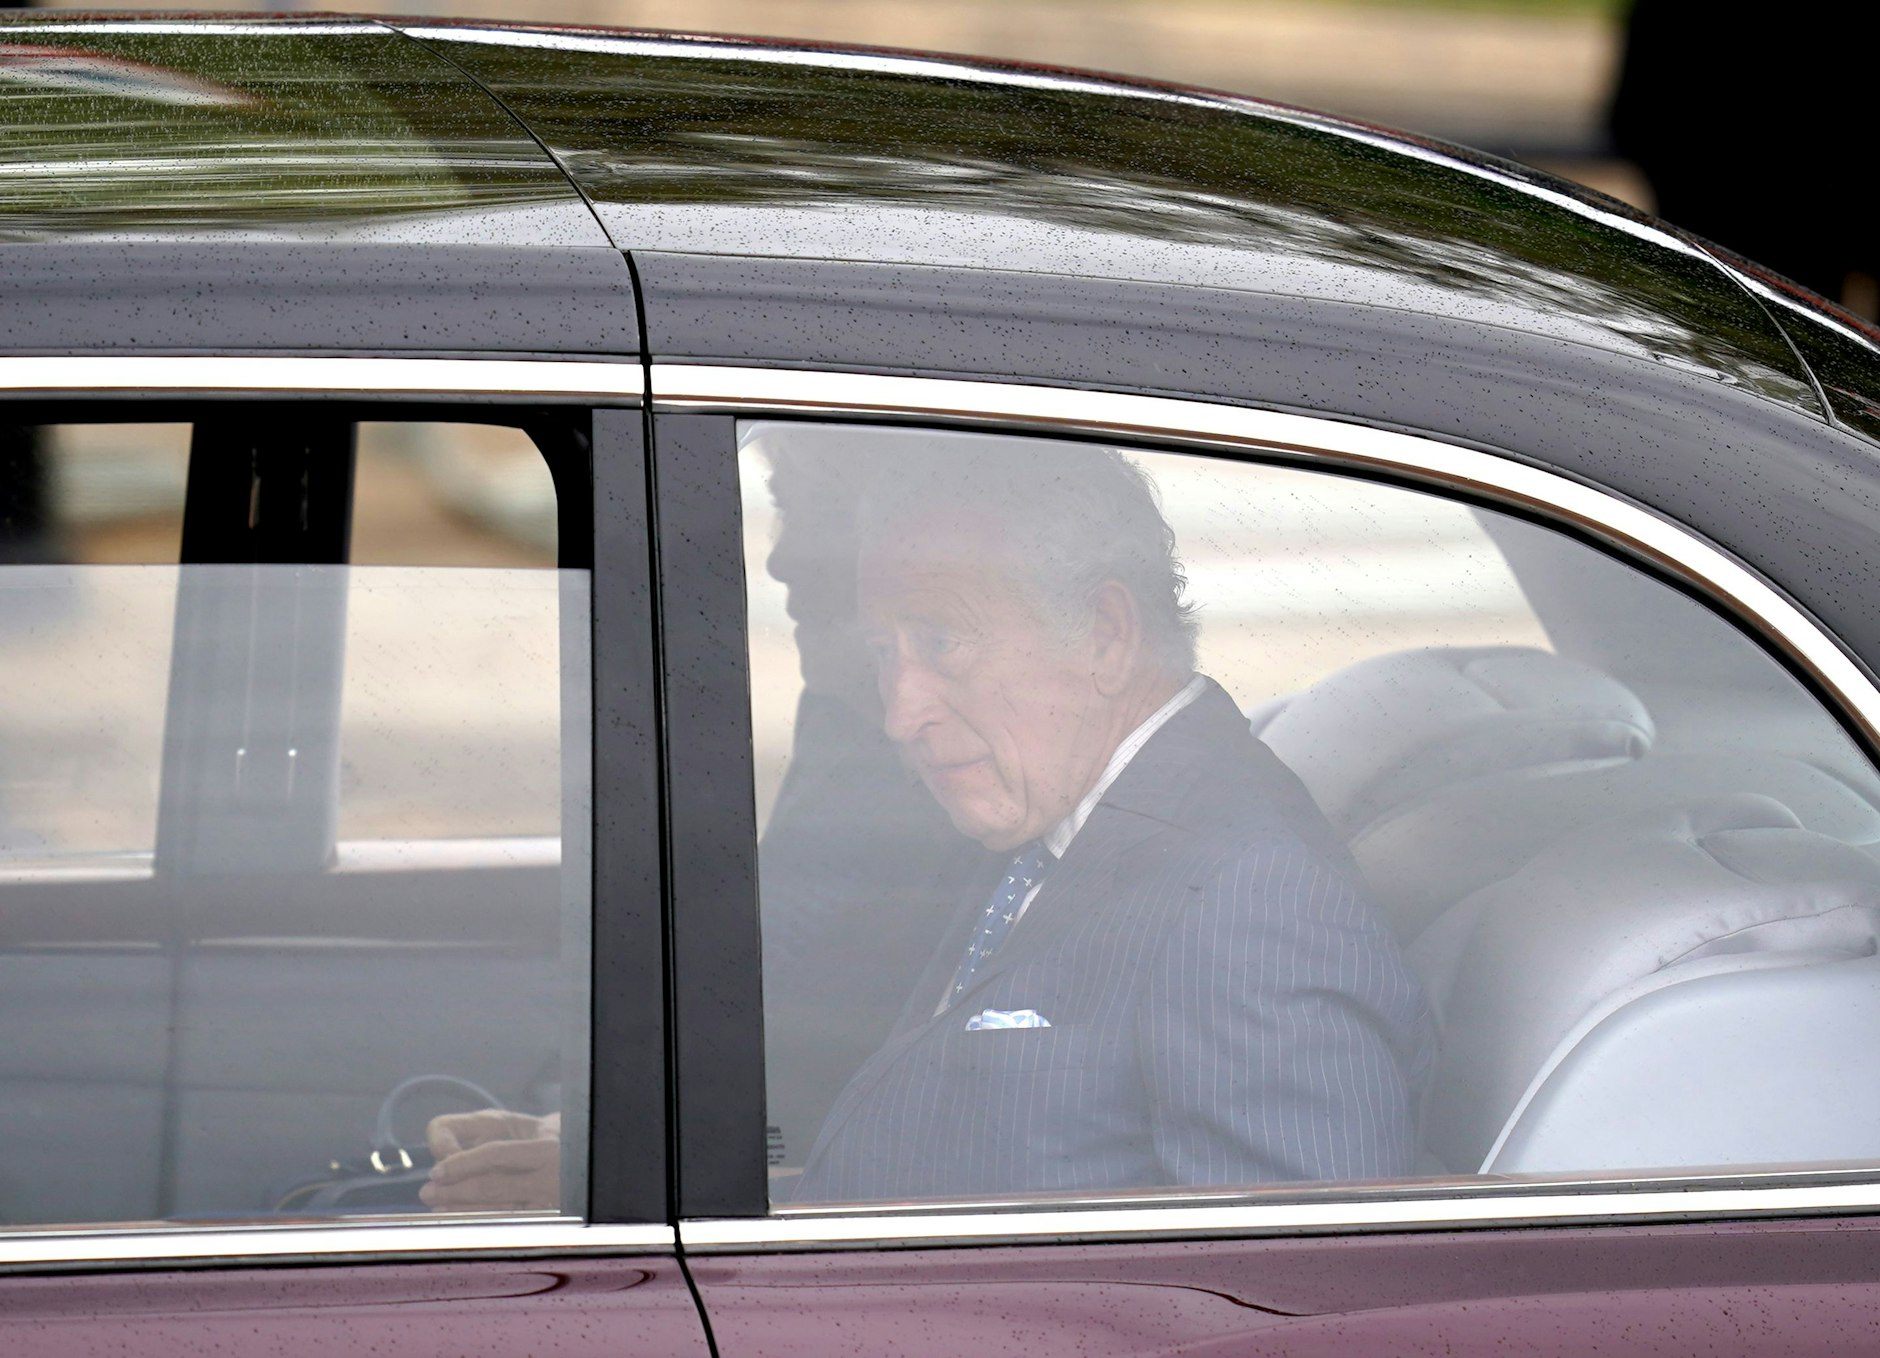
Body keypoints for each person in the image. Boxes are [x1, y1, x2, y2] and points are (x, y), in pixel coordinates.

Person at [424, 438, 1432, 1209]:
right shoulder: (1071, 825)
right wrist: (635, 1187)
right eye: (883, 652)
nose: (902, 709)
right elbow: (943, 1180)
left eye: (942, 641)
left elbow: (1306, 1309)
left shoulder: (1246, 906)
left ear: (1106, 632)